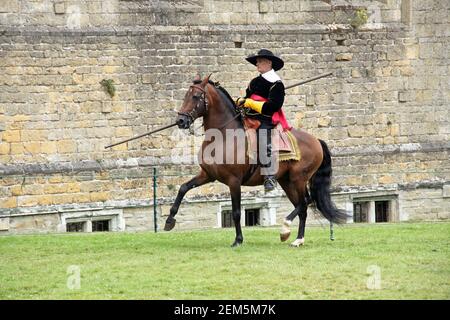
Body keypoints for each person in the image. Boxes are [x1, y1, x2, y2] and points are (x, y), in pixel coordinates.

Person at [237, 49, 286, 192]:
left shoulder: (277, 84)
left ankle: (269, 176)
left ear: (269, 63)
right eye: (256, 61)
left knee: (264, 140)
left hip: (265, 118)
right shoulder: (254, 82)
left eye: (259, 61)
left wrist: (251, 103)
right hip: (248, 116)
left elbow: (273, 106)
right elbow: (247, 96)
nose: (257, 63)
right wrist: (241, 101)